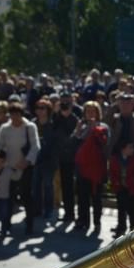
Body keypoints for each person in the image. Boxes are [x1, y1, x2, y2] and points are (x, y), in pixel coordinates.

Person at [0, 101, 39, 236]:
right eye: (12, 115)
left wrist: (27, 161)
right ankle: (6, 225)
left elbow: (35, 146)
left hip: (25, 167)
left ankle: (29, 225)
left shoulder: (30, 127)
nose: (15, 118)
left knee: (26, 197)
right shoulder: (5, 128)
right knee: (8, 198)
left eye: (17, 115)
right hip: (9, 167)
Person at [72, 101, 109, 234]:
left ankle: (97, 222)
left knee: (96, 197)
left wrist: (95, 130)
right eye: (87, 111)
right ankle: (83, 221)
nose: (90, 114)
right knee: (82, 197)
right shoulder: (81, 126)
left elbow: (104, 145)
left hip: (96, 168)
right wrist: (77, 131)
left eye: (93, 111)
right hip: (82, 168)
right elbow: (73, 145)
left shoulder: (103, 127)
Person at [52, 91, 81, 224]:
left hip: (74, 156)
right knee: (64, 185)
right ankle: (68, 213)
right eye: (63, 102)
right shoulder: (57, 116)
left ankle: (75, 214)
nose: (65, 105)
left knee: (73, 186)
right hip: (61, 156)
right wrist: (58, 113)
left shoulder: (76, 114)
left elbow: (76, 134)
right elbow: (53, 130)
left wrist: (68, 115)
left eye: (67, 102)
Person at [32, 99, 58, 221]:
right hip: (35, 159)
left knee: (48, 186)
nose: (40, 110)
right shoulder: (32, 124)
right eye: (38, 108)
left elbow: (55, 143)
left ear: (48, 110)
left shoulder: (53, 124)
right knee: (36, 185)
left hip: (49, 160)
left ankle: (49, 209)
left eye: (43, 108)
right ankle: (37, 209)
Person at [109, 140, 134, 236]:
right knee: (121, 209)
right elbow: (112, 173)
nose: (132, 150)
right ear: (123, 149)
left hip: (132, 188)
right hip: (121, 188)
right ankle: (121, 229)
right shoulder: (115, 159)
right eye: (130, 147)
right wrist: (116, 184)